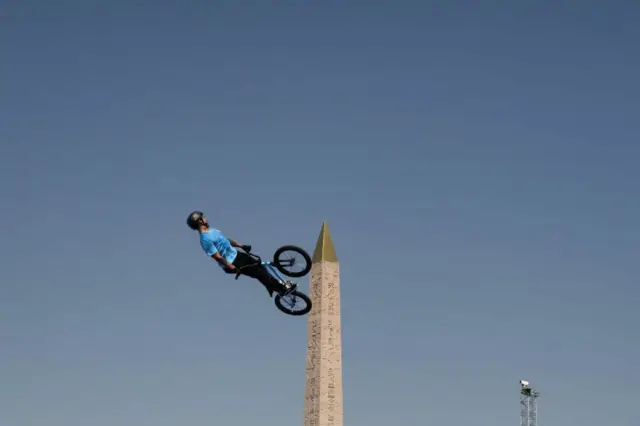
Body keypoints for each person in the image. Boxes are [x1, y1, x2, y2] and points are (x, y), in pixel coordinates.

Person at [186, 211, 292, 297]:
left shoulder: (212, 230)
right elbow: (217, 256)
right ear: (199, 221)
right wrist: (231, 267)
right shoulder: (205, 239)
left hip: (237, 254)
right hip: (232, 262)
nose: (206, 218)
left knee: (262, 267)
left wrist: (241, 246)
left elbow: (226, 240)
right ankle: (281, 290)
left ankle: (275, 286)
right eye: (203, 217)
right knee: (260, 273)